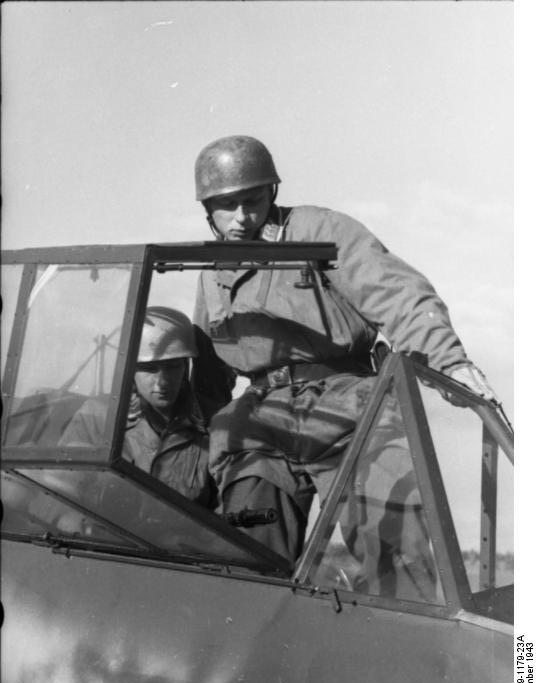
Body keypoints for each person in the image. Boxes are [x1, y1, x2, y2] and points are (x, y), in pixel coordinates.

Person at [192, 134, 498, 576]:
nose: (242, 217)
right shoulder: (210, 272)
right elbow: (207, 368)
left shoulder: (320, 231)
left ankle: (410, 642)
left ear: (271, 193)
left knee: (393, 558)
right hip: (260, 421)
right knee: (246, 560)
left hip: (349, 408)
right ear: (207, 209)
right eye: (226, 205)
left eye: (253, 200)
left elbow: (395, 293)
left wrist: (449, 359)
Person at [62, 306, 216, 507]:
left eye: (173, 367)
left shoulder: (213, 424)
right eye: (149, 369)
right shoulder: (98, 417)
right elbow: (65, 494)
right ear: (130, 370)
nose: (162, 383)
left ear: (186, 367)